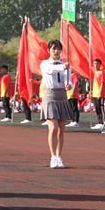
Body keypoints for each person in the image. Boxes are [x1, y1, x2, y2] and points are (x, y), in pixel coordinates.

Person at [40, 40, 74, 169]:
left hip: (62, 96)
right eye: (54, 49)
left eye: (59, 49)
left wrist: (69, 85)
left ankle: (59, 157)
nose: (56, 51)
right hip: (50, 96)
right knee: (53, 128)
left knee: (61, 130)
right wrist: (63, 67)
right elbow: (51, 71)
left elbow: (68, 80)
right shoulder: (45, 63)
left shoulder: (65, 65)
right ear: (48, 50)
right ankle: (53, 157)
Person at [90, 59, 105, 130]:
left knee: (101, 108)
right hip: (95, 94)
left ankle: (102, 123)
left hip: (100, 94)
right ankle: (99, 122)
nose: (95, 65)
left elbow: (102, 83)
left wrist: (100, 92)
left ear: (100, 64)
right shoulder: (95, 72)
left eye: (97, 63)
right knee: (97, 109)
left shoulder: (101, 72)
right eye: (94, 63)